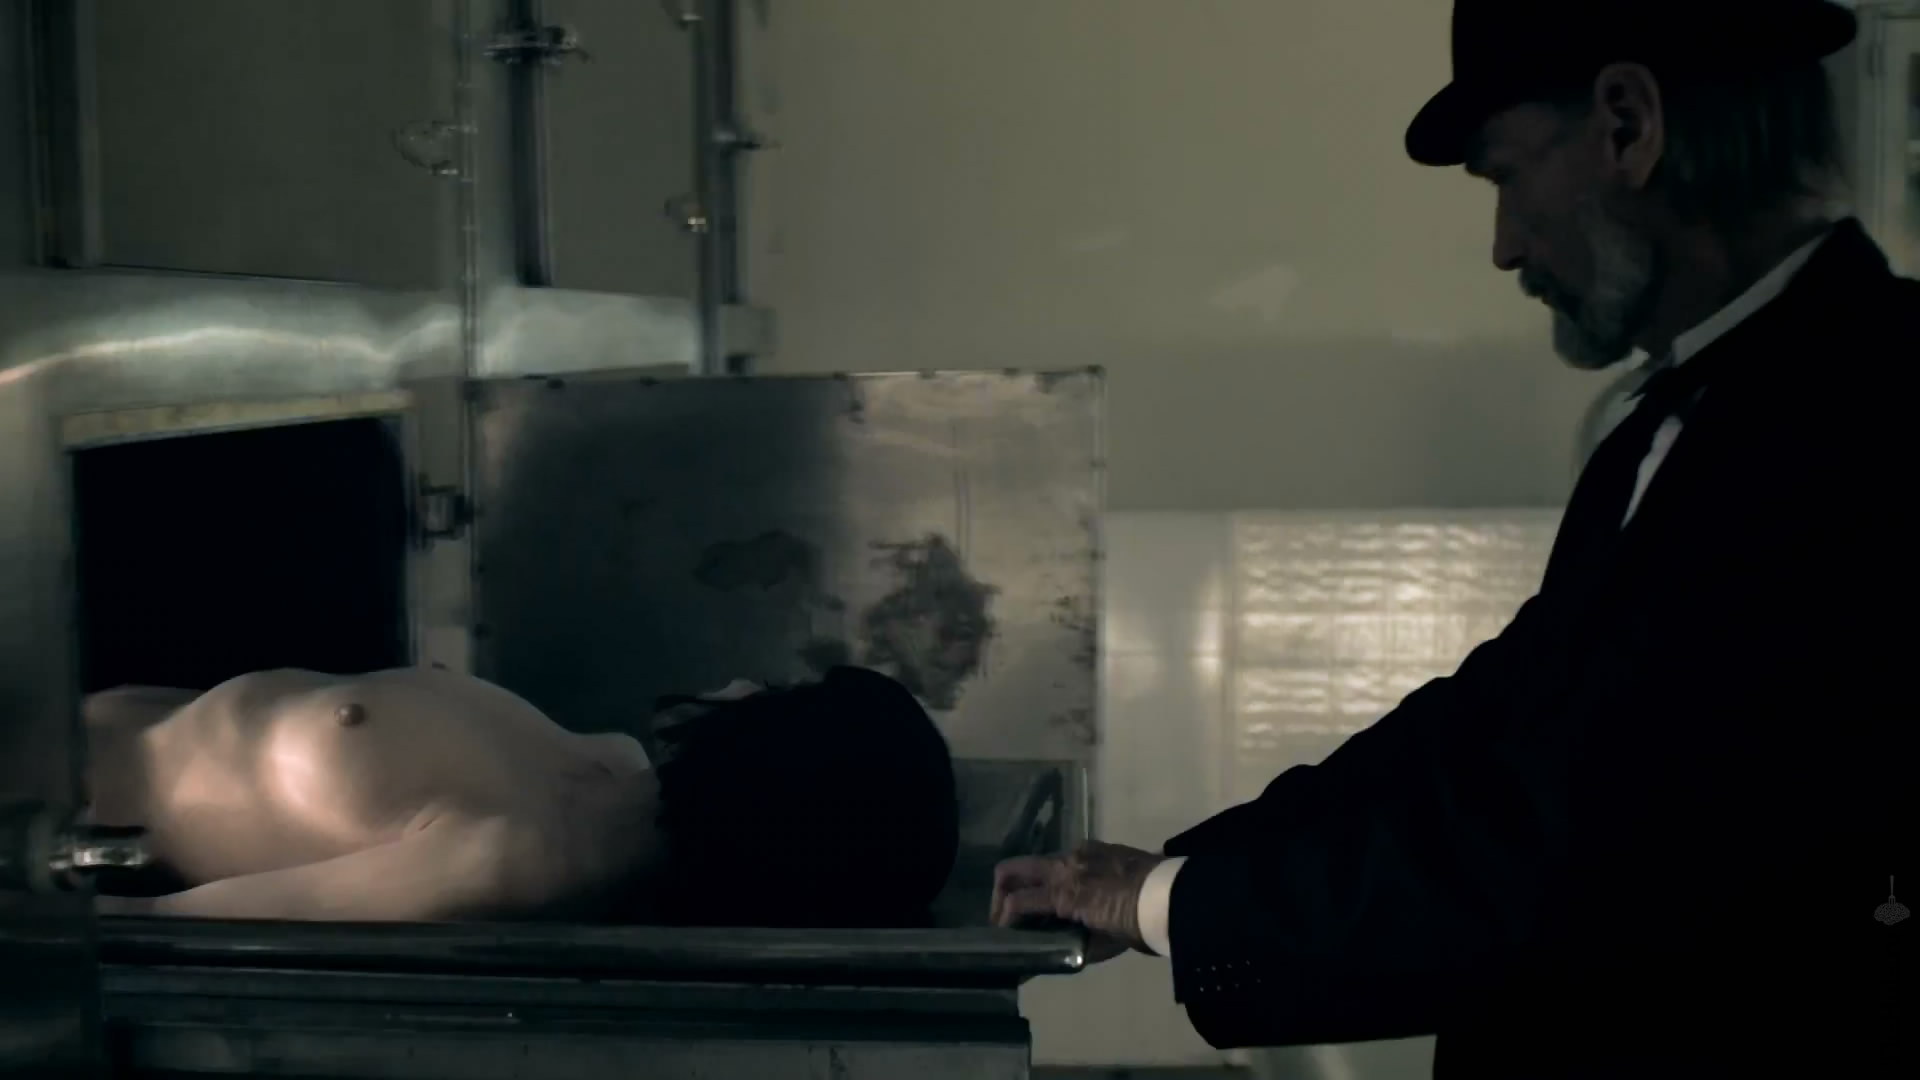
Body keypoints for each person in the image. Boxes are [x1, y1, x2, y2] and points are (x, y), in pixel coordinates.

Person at [992, 0, 1912, 1074]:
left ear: (1628, 126)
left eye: (1505, 177)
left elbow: (1553, 856)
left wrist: (1171, 903)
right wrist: (1177, 877)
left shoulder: (1862, 419)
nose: (1504, 245)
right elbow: (1488, 723)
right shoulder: (1677, 423)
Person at [85, 664, 958, 928]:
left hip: (62, 808)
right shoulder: (610, 765)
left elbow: (182, 925)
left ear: (778, 765)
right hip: (80, 718)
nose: (744, 681)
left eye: (780, 693)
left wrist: (40, 913)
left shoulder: (520, 858)